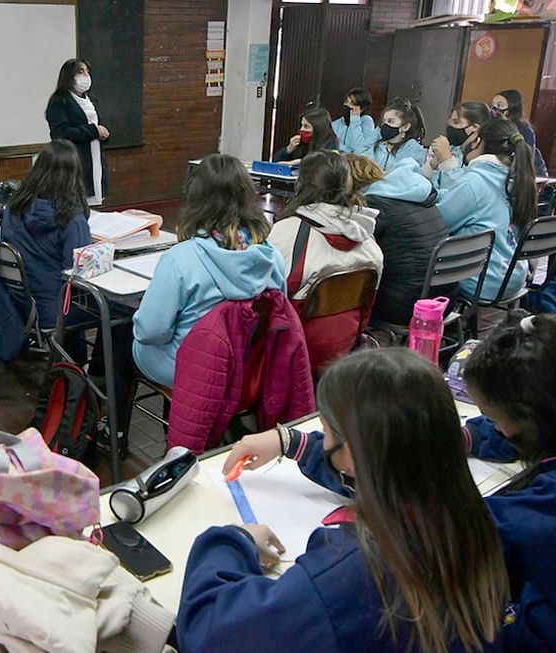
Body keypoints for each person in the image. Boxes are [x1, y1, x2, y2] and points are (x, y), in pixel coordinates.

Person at [181, 348, 509, 653]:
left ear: (352, 452)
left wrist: (231, 541)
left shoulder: (348, 575)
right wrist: (289, 441)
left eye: (328, 432)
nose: (325, 443)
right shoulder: (475, 518)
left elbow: (210, 633)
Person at [132, 154, 285, 388]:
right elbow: (278, 311)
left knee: (124, 337)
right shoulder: (271, 256)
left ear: (196, 198)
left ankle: (113, 421)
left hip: (191, 367)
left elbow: (151, 332)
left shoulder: (180, 259)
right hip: (249, 365)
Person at [462, 313, 556, 650]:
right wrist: (468, 435)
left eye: (491, 417)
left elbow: (469, 531)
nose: (495, 426)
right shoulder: (545, 408)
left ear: (526, 418)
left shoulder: (533, 517)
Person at [268, 151, 383, 371]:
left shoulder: (288, 232)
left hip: (295, 353)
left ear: (301, 184)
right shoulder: (368, 237)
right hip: (345, 350)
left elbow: (264, 298)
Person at [435, 117, 535, 303]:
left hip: (484, 281)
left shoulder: (476, 181)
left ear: (478, 142)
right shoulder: (517, 180)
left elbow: (438, 223)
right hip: (513, 276)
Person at [344, 154, 449, 324]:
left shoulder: (376, 205)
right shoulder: (420, 197)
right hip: (442, 301)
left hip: (406, 306)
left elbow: (353, 249)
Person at [0, 139, 91, 330]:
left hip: (17, 306)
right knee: (119, 310)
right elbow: (79, 276)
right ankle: (93, 360)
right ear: (74, 175)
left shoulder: (13, 207)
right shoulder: (72, 219)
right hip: (56, 310)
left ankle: (70, 356)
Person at [45, 58, 110, 206]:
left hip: (95, 160)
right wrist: (93, 131)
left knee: (97, 207)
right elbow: (61, 133)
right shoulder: (59, 101)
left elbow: (98, 127)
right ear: (69, 76)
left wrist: (103, 134)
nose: (86, 76)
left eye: (87, 72)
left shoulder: (91, 100)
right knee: (77, 205)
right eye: (80, 72)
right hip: (74, 163)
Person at [424, 100, 492, 187]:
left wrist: (447, 160)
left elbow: (459, 189)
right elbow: (427, 184)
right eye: (450, 121)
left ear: (474, 127)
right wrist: (432, 165)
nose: (450, 126)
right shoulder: (452, 148)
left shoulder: (480, 156)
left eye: (456, 122)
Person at [356, 97, 426, 171]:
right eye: (383, 122)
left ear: (405, 127)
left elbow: (410, 175)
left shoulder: (413, 149)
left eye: (390, 121)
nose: (385, 125)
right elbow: (358, 157)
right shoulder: (379, 146)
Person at [491, 89, 548, 176]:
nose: (494, 109)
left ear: (512, 109)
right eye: (492, 105)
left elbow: (524, 163)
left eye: (499, 105)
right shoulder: (491, 126)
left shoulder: (524, 130)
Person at [273, 107, 338, 163]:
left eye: (306, 126)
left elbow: (325, 166)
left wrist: (301, 163)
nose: (301, 129)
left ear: (318, 128)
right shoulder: (300, 142)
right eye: (301, 125)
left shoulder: (330, 143)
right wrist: (288, 149)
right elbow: (276, 161)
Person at [330, 87, 376, 154]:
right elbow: (332, 144)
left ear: (361, 108)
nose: (347, 105)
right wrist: (349, 151)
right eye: (346, 102)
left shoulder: (366, 122)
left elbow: (360, 148)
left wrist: (355, 119)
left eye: (352, 103)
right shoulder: (337, 123)